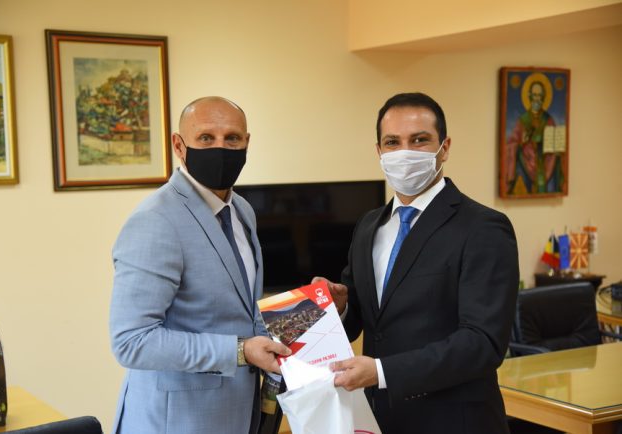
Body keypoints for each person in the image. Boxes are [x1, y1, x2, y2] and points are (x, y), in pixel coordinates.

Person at [314, 92, 519, 433]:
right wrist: (341, 307)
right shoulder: (369, 226)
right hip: (380, 419)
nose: (404, 152)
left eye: (419, 140)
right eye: (392, 142)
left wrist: (382, 372)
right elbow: (367, 320)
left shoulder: (483, 227)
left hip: (455, 423)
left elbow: (483, 343)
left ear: (445, 148)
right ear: (379, 151)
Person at [109, 96, 290, 434]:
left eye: (232, 138)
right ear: (179, 145)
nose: (221, 148)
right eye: (206, 138)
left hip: (238, 414)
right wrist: (240, 351)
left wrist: (314, 306)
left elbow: (241, 311)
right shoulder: (155, 220)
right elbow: (132, 341)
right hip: (176, 422)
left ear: (247, 143)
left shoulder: (242, 211)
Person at [506, 80, 563, 194]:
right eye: (535, 95)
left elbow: (555, 143)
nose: (537, 99)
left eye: (540, 95)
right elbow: (512, 142)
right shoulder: (523, 120)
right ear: (530, 96)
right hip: (526, 160)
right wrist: (522, 141)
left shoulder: (548, 119)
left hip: (545, 161)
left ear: (543, 97)